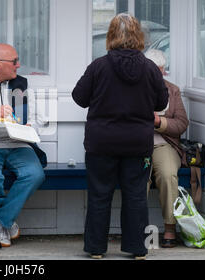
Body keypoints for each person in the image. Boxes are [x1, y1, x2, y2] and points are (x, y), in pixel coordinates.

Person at [72, 13, 169, 260]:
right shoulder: (150, 68)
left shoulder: (98, 66)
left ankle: (96, 249)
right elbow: (161, 101)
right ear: (139, 36)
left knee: (99, 194)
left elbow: (79, 97)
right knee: (136, 196)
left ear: (111, 35)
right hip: (138, 143)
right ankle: (137, 249)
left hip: (101, 142)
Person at [0, 43, 46, 247]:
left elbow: (38, 119)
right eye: (14, 61)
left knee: (35, 174)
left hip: (19, 143)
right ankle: (3, 217)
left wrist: (31, 126)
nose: (18, 65)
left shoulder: (22, 84)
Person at [144, 49, 189, 248]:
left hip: (165, 143)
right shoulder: (134, 88)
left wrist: (158, 121)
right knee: (137, 176)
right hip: (138, 144)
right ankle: (137, 228)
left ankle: (170, 228)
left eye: (160, 70)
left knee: (168, 173)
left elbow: (181, 124)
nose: (157, 74)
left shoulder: (172, 90)